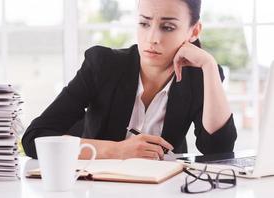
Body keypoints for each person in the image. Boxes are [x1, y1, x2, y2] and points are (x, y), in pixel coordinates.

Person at [22, 0, 237, 160]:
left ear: (194, 30)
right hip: (96, 188)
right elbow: (35, 139)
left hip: (164, 188)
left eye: (168, 27)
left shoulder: (201, 75)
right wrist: (117, 150)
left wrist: (209, 66)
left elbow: (219, 151)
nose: (152, 38)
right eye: (144, 24)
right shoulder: (102, 64)